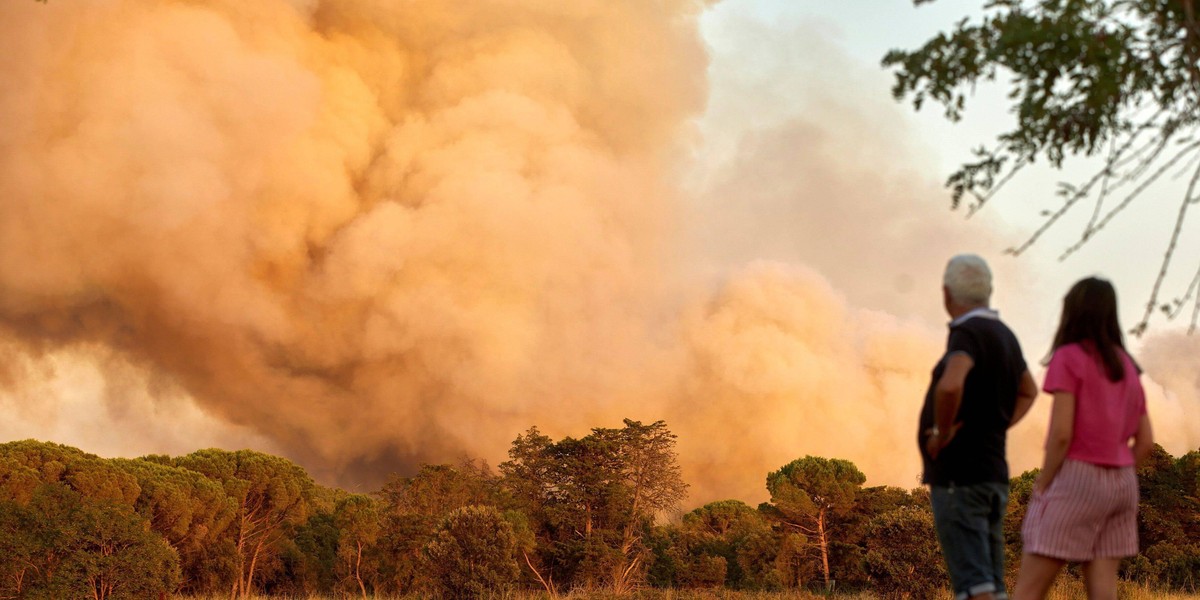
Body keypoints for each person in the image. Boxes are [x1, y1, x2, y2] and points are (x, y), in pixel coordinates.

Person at [1013, 278, 1155, 600]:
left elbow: (1061, 434)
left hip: (1078, 476)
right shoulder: (1128, 367)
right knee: (1103, 586)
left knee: (1030, 588)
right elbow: (1145, 442)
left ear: (1072, 312)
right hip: (1122, 484)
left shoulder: (1069, 357)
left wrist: (1044, 484)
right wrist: (1116, 467)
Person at [919, 254, 1039, 600]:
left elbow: (951, 384)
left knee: (973, 586)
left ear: (946, 294)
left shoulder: (968, 332)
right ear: (989, 291)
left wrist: (942, 434)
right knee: (991, 583)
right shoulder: (1005, 335)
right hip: (992, 475)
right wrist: (998, 426)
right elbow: (1029, 390)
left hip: (961, 476)